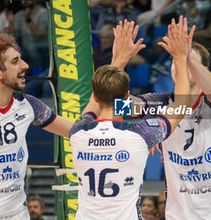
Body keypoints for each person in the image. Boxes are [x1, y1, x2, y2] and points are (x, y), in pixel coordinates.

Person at [114, 16, 211, 219]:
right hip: (178, 213)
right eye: (174, 60)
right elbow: (118, 106)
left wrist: (185, 56)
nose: (177, 64)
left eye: (188, 60)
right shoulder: (161, 103)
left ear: (202, 69)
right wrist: (119, 60)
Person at [70, 18, 192, 219]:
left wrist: (119, 59)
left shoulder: (78, 131)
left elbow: (92, 107)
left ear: (95, 95)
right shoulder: (141, 134)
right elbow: (181, 105)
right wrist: (180, 57)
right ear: (127, 95)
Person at [0, 34, 73, 219]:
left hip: (17, 214)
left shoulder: (28, 105)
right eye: (16, 61)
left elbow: (75, 131)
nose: (25, 65)